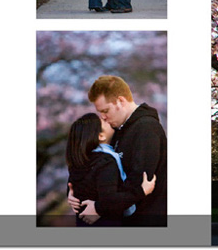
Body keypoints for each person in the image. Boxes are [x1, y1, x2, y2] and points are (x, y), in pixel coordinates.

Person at [69, 75, 167, 226]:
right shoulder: (116, 131)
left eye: (105, 110)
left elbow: (140, 181)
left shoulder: (146, 128)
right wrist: (74, 192)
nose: (103, 117)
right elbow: (92, 167)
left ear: (120, 101)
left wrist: (99, 208)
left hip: (145, 223)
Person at [66, 113, 156, 226]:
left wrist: (70, 194)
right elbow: (110, 200)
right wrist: (142, 191)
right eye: (102, 121)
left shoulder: (81, 160)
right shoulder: (105, 162)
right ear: (101, 136)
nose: (105, 118)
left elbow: (77, 185)